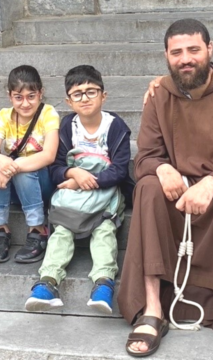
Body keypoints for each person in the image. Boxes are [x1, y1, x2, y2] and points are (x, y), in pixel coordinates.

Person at [120, 19, 213, 359]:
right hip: (180, 188)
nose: (185, 59)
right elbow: (145, 154)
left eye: (193, 50)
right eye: (177, 52)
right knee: (146, 188)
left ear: (209, 50)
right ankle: (153, 308)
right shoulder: (160, 94)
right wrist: (162, 167)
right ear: (166, 56)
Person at [24, 65, 133, 314]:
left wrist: (87, 180)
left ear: (103, 95)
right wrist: (72, 174)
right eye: (78, 93)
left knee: (104, 231)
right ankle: (48, 282)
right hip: (74, 195)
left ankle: (103, 283)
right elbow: (56, 167)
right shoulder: (67, 127)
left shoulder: (115, 126)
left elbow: (119, 170)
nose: (85, 98)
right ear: (68, 100)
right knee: (61, 231)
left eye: (91, 91)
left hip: (105, 194)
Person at [0, 65, 59, 264]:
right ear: (9, 96)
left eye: (31, 96)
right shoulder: (3, 117)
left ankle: (38, 229)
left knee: (23, 171)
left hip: (41, 184)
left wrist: (11, 168)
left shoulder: (48, 113)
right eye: (18, 97)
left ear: (40, 93)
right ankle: (0, 229)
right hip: (14, 187)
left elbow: (49, 155)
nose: (25, 103)